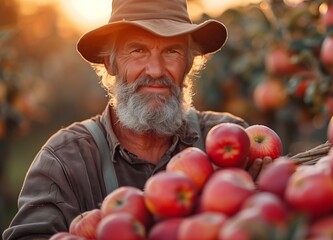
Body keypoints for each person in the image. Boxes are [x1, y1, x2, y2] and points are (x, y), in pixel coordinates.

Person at [3, 0, 273, 239]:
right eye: (138, 51)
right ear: (110, 63)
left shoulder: (229, 139)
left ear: (189, 63)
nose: (155, 70)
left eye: (171, 52)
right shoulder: (64, 161)